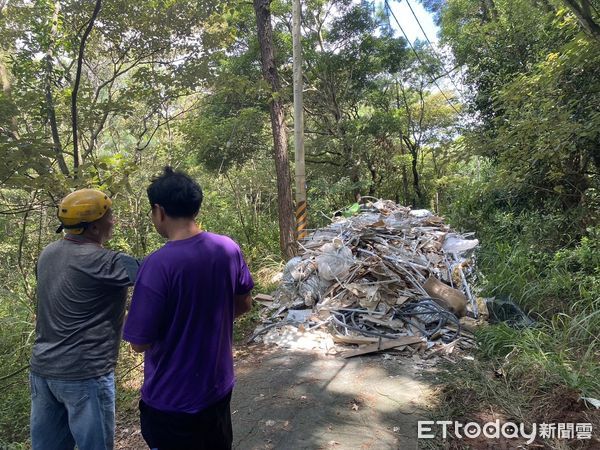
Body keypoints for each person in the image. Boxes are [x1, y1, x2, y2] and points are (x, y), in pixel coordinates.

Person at [122, 167, 254, 450]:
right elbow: (244, 303)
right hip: (218, 387)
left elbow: (139, 342)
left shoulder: (158, 265)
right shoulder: (228, 248)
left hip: (172, 400)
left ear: (159, 211)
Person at [30, 189, 140, 450]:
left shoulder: (48, 253)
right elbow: (162, 273)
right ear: (93, 226)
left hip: (43, 371)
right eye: (109, 216)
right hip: (84, 374)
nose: (113, 221)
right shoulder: (105, 261)